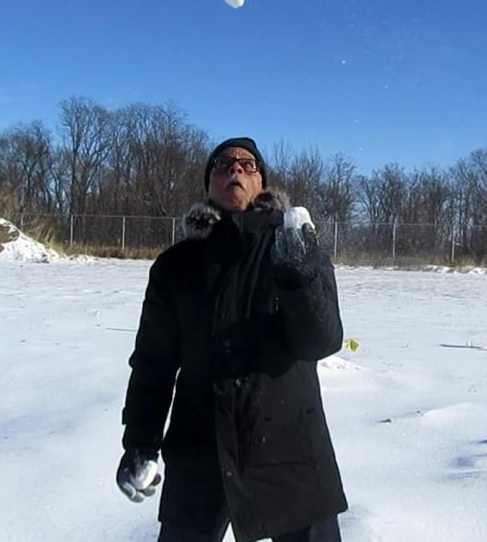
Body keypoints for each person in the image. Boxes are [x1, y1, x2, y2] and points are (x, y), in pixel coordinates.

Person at [117, 137, 347, 542]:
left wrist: (300, 275)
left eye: (247, 164)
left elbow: (320, 342)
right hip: (199, 453)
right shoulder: (176, 265)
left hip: (289, 448)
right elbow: (153, 364)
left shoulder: (293, 245)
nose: (235, 170)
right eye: (223, 164)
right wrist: (140, 441)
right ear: (208, 184)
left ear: (262, 184)